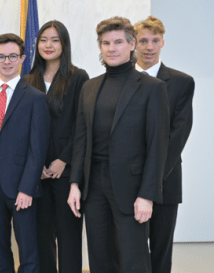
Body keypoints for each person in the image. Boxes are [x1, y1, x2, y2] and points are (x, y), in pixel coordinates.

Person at [68, 16, 169, 273]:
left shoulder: (152, 88)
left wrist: (147, 195)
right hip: (94, 186)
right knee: (100, 257)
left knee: (134, 258)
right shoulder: (90, 87)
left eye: (118, 42)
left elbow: (157, 147)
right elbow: (81, 140)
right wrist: (75, 184)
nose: (111, 48)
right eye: (105, 43)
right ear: (100, 47)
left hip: (131, 186)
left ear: (131, 44)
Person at [0, 33, 50, 273]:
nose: (7, 61)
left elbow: (39, 149)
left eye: (12, 56)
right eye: (2, 57)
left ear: (22, 58)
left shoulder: (35, 98)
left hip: (21, 187)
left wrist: (27, 188)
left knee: (28, 249)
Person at [22, 21, 88, 273]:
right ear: (36, 44)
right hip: (36, 172)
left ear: (64, 44)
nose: (48, 45)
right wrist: (36, 164)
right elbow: (23, 129)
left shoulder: (78, 77)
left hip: (67, 171)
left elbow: (82, 125)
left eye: (55, 40)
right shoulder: (28, 79)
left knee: (69, 237)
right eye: (43, 40)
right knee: (41, 238)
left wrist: (64, 160)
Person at [134, 16, 195, 273]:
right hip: (128, 179)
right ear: (133, 43)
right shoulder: (120, 80)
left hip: (165, 180)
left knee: (161, 248)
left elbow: (178, 134)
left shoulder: (181, 82)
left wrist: (153, 180)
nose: (149, 47)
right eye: (143, 41)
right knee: (130, 249)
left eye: (155, 41)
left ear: (163, 42)